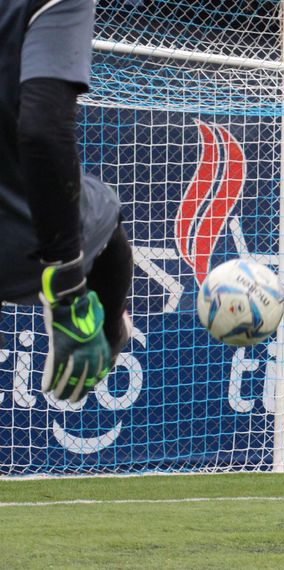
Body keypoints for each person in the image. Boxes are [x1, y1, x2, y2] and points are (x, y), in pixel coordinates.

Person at [0, 0, 133, 403]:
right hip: (21, 238)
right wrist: (68, 285)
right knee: (104, 211)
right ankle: (109, 326)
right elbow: (42, 131)